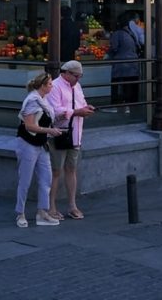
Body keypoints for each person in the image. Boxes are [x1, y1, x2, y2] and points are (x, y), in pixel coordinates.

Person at [14, 71, 63, 228]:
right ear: (42, 86)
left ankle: (42, 212)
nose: (52, 86)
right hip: (28, 142)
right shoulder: (32, 101)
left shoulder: (44, 100)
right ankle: (20, 213)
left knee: (46, 178)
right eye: (49, 84)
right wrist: (50, 131)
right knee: (25, 180)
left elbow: (46, 119)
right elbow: (29, 126)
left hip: (41, 144)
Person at [47, 60, 95, 220]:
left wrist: (87, 108)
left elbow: (81, 102)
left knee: (71, 169)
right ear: (66, 73)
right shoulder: (54, 86)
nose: (78, 79)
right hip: (60, 133)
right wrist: (76, 112)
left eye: (80, 76)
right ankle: (51, 206)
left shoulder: (77, 86)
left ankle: (72, 206)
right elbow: (55, 111)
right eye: (76, 76)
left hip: (75, 134)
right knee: (55, 171)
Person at [106, 13, 140, 112]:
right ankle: (128, 105)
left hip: (121, 62)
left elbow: (114, 48)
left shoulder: (117, 34)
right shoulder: (131, 33)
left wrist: (108, 55)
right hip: (133, 62)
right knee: (128, 85)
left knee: (116, 83)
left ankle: (115, 105)